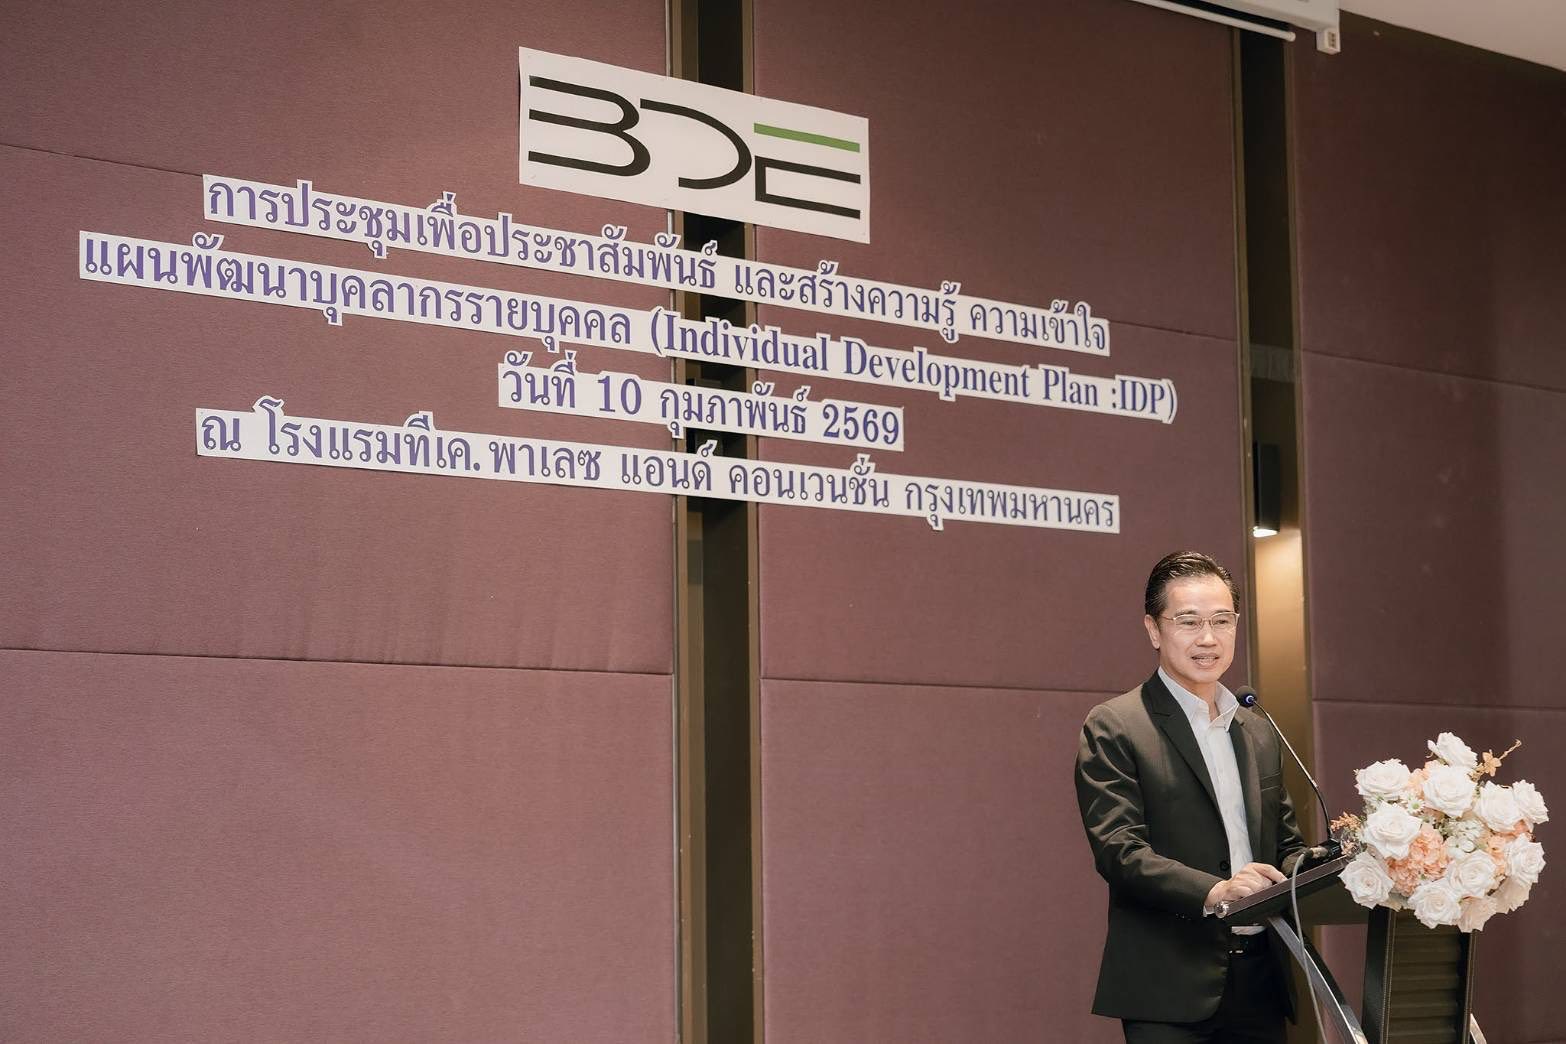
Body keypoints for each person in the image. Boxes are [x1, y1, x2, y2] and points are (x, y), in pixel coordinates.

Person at [1074, 551, 1307, 1043]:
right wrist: (1216, 891)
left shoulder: (1257, 729)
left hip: (1262, 981)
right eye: (1189, 622)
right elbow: (1120, 851)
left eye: (1222, 621)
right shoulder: (1118, 725)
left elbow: (1285, 846)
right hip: (1169, 986)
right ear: (1153, 630)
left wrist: (1342, 864)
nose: (1208, 638)